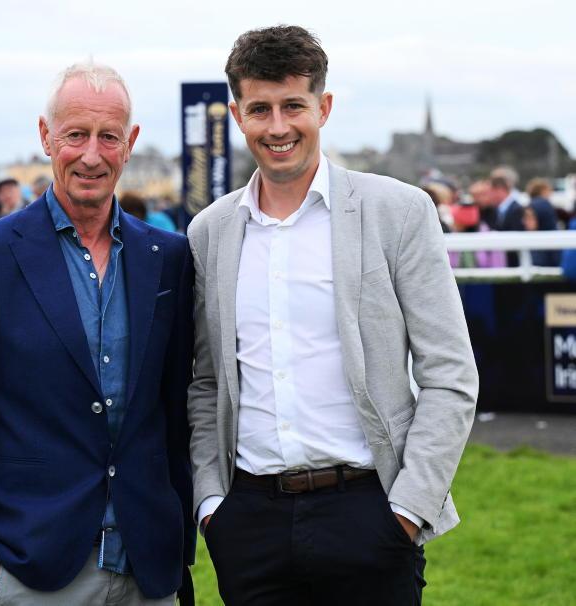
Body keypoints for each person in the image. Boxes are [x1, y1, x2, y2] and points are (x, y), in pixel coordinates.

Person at [186, 25, 478, 605]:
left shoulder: (398, 211)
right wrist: (212, 504)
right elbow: (206, 382)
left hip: (371, 513)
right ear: (237, 115)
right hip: (249, 524)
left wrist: (408, 510)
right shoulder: (209, 231)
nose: (278, 127)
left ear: (324, 107)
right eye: (260, 109)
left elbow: (450, 374)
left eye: (293, 105)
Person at [0, 62, 195, 606]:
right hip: (33, 570)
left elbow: (175, 413)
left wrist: (180, 545)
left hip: (148, 569)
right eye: (76, 134)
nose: (91, 155)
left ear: (130, 143)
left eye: (108, 136)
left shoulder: (167, 256)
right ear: (46, 136)